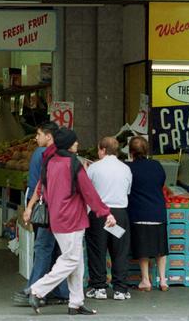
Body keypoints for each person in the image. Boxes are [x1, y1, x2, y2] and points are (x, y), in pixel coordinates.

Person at [26, 128, 116, 316]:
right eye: (75, 141)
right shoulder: (73, 164)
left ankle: (76, 302)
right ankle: (37, 289)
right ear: (68, 143)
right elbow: (88, 191)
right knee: (71, 259)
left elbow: (42, 188)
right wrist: (105, 212)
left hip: (56, 217)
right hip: (73, 217)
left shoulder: (49, 162)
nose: (77, 144)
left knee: (76, 261)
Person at [15, 122, 69, 305]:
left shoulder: (44, 153)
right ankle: (61, 291)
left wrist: (29, 207)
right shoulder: (61, 155)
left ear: (49, 136)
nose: (36, 138)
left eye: (38, 134)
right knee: (55, 250)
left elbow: (40, 185)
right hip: (56, 207)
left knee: (43, 248)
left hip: (44, 207)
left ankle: (35, 289)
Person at [85, 137, 132, 301]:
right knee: (119, 251)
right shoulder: (126, 168)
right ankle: (120, 289)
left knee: (97, 250)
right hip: (119, 214)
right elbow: (127, 191)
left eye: (99, 150)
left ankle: (99, 288)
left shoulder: (94, 168)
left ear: (103, 150)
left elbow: (87, 190)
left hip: (99, 214)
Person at [126, 136, 169, 292]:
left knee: (143, 248)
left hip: (139, 213)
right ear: (146, 150)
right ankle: (163, 280)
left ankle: (145, 280)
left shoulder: (128, 168)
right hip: (158, 211)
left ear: (131, 152)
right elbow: (161, 182)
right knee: (161, 247)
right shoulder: (157, 165)